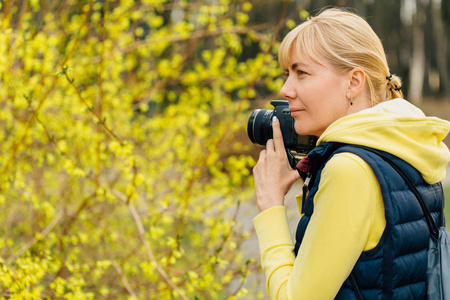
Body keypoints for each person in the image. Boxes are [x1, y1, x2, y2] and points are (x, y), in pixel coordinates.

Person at [252, 8, 450, 300]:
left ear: (353, 82)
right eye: (286, 74)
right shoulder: (405, 146)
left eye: (301, 73)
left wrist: (270, 204)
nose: (285, 89)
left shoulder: (349, 168)